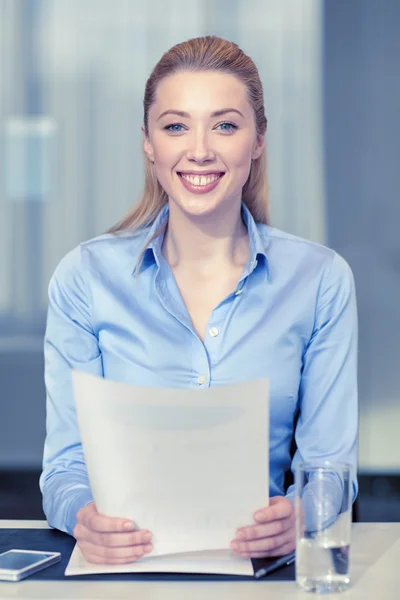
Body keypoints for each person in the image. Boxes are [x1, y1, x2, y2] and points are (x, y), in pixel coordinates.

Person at [40, 35, 358, 565]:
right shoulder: (85, 278)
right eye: (175, 126)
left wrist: (301, 515)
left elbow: (332, 468)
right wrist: (82, 516)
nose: (200, 150)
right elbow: (66, 467)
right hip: (123, 571)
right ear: (149, 142)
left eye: (226, 125)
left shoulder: (320, 280)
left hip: (262, 573)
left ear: (257, 140)